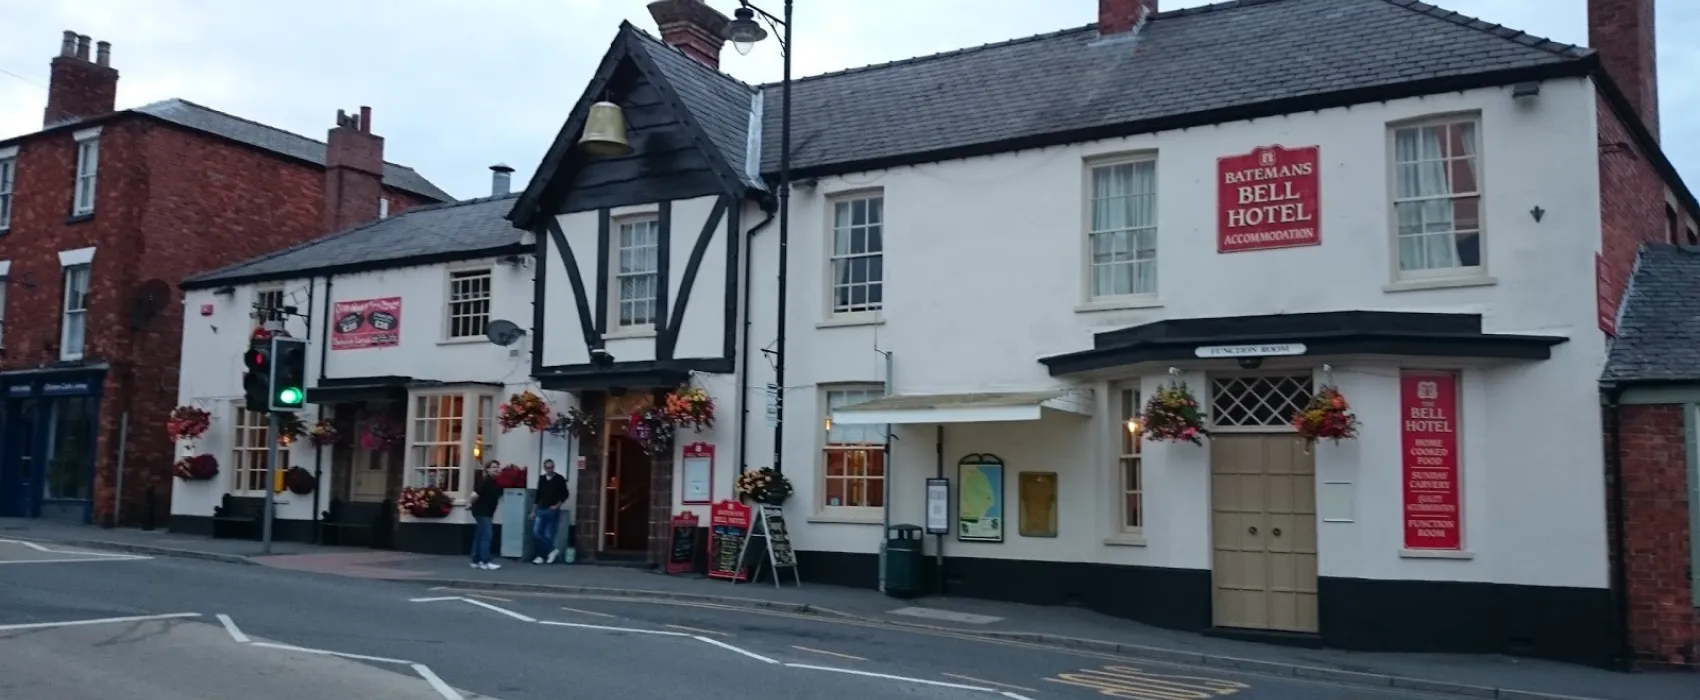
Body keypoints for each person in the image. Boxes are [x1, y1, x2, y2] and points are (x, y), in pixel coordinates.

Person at [531, 458, 570, 565]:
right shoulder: (542, 479)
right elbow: (538, 496)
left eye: (552, 467)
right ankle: (550, 551)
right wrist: (533, 511)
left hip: (552, 509)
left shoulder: (559, 479)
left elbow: (565, 494)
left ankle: (543, 555)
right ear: (544, 468)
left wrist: (557, 505)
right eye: (548, 467)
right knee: (537, 532)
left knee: (549, 534)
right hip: (541, 508)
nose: (550, 469)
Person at [467, 461, 503, 570]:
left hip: (486, 512)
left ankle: (476, 560)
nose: (496, 469)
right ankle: (486, 561)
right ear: (487, 469)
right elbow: (474, 494)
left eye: (497, 467)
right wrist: (470, 503)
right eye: (493, 467)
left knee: (479, 535)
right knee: (487, 536)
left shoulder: (494, 482)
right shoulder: (485, 481)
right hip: (482, 512)